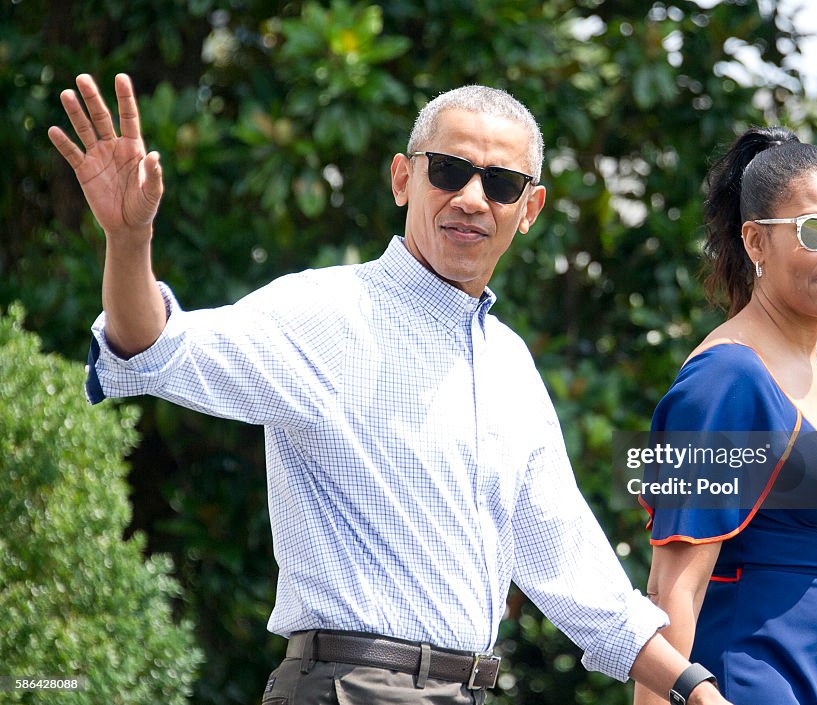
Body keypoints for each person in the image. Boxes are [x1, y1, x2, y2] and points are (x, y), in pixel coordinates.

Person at [49, 74, 731, 705]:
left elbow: (577, 577)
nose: (471, 198)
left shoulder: (510, 365)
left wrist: (696, 688)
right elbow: (158, 349)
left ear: (530, 209)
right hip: (347, 686)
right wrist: (129, 238)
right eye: (450, 170)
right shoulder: (326, 312)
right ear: (404, 177)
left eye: (500, 183)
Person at [634, 127, 817, 705]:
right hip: (753, 682)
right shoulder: (728, 379)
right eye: (816, 229)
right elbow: (673, 588)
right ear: (754, 243)